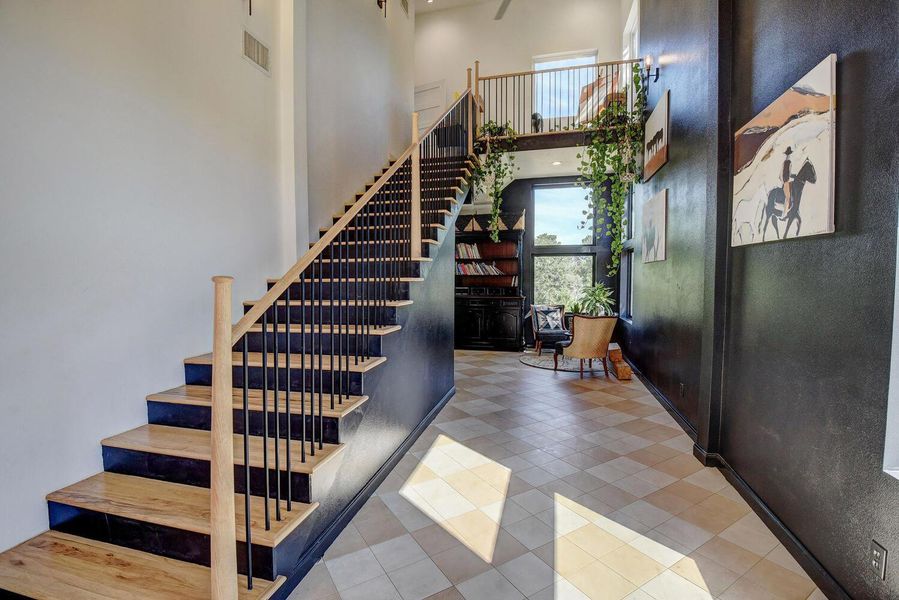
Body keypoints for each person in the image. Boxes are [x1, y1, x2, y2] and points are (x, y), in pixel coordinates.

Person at [781, 146, 793, 214]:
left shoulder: (784, 162)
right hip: (786, 181)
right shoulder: (790, 163)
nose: (789, 156)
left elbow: (781, 173)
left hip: (785, 181)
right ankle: (785, 213)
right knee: (788, 198)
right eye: (789, 155)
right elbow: (790, 173)